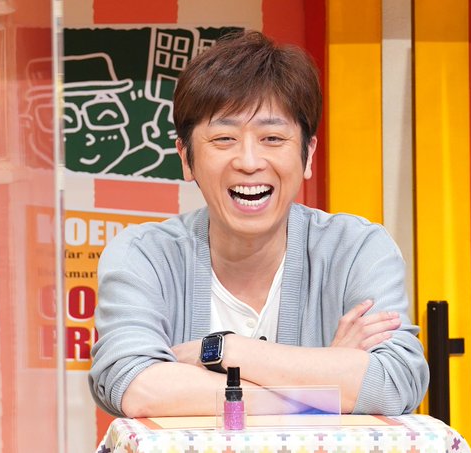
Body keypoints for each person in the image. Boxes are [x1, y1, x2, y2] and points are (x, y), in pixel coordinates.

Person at [89, 30, 429, 418]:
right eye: (224, 138)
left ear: (307, 155)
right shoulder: (144, 254)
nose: (249, 162)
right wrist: (321, 387)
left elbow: (394, 383)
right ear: (186, 157)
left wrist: (225, 351)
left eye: (272, 138)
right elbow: (133, 385)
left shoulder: (357, 249)